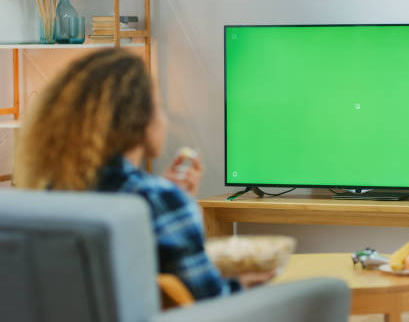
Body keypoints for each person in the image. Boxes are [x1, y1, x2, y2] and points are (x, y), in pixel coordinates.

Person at [14, 48, 273, 300]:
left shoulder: (50, 192)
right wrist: (241, 287)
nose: (165, 120)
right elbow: (211, 303)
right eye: (158, 106)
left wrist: (171, 194)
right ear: (138, 119)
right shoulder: (159, 199)